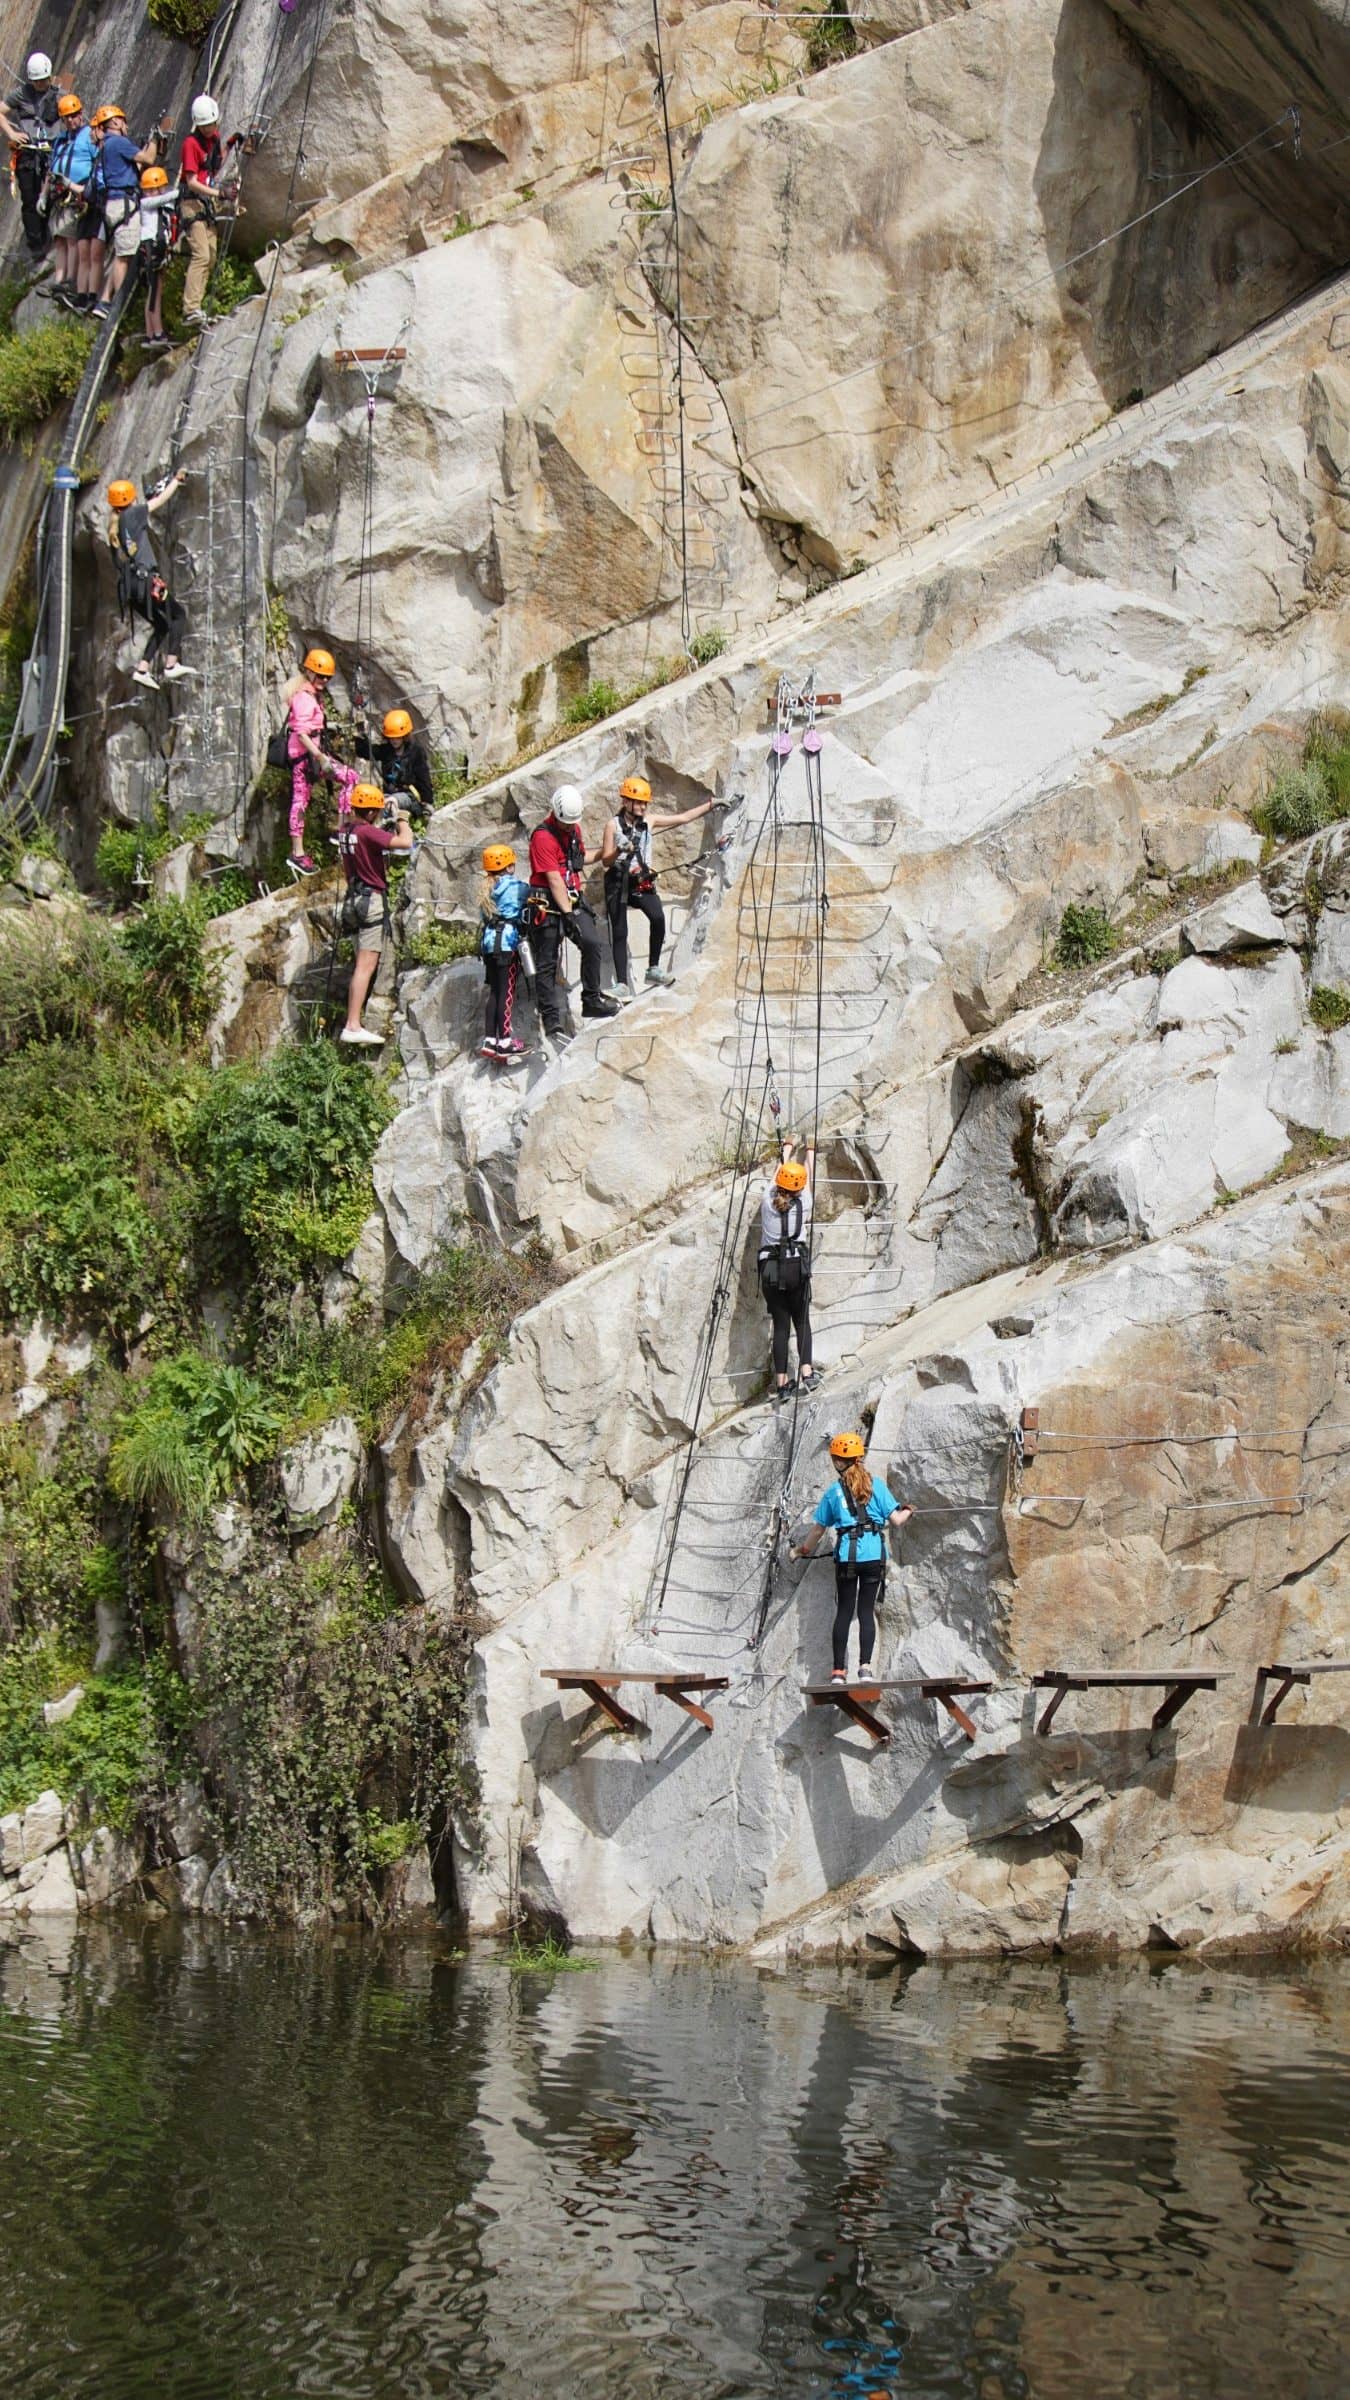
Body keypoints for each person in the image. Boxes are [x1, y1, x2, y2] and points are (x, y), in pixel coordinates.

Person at [791, 1432, 914, 1685]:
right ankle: (865, 1669)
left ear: (838, 1462)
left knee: (844, 1611)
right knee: (866, 1612)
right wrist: (909, 1510)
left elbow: (818, 1531)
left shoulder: (833, 1493)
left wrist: (801, 1550)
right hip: (873, 1556)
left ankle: (838, 1672)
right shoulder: (876, 1485)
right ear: (859, 1457)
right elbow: (897, 1520)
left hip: (847, 1557)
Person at [600, 772, 714, 999]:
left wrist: (711, 805)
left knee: (658, 918)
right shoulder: (612, 826)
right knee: (620, 931)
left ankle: (653, 969)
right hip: (618, 882)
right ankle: (622, 984)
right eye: (638, 803)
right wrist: (620, 849)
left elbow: (683, 818)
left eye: (645, 803)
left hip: (641, 882)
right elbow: (605, 860)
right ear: (626, 801)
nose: (643, 807)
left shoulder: (648, 821)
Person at [526, 784, 619, 1040]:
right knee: (547, 961)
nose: (569, 827)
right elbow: (553, 879)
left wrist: (608, 852)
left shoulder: (573, 830)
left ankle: (591, 998)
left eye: (572, 824)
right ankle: (551, 1020)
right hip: (547, 901)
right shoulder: (542, 837)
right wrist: (567, 915)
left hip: (571, 897)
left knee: (591, 942)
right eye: (566, 824)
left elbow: (578, 859)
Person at [338, 784, 413, 1047]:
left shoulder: (346, 830)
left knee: (360, 964)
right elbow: (405, 842)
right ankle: (353, 1025)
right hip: (371, 901)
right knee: (365, 966)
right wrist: (401, 817)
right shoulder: (368, 832)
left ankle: (353, 1021)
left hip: (352, 899)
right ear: (370, 812)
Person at [106, 474, 195, 690]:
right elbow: (159, 501)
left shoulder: (116, 528)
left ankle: (142, 669)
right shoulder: (133, 514)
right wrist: (176, 481)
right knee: (178, 615)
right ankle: (171, 665)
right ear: (129, 499)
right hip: (146, 582)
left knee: (162, 625)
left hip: (133, 588)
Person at [759, 1139, 816, 1404]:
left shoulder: (767, 1202)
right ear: (799, 1188)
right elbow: (809, 1178)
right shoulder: (805, 1202)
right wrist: (810, 1152)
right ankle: (807, 1372)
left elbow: (776, 1176)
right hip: (796, 1268)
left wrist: (787, 1148)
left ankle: (782, 1384)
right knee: (801, 1321)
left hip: (770, 1269)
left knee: (781, 1326)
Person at [286, 646, 352, 873]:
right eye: (321, 675)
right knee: (300, 801)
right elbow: (301, 732)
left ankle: (339, 831)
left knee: (348, 778)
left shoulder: (312, 695)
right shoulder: (304, 697)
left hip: (310, 755)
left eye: (327, 677)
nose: (324, 680)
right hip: (306, 758)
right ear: (310, 672)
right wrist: (320, 757)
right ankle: (299, 853)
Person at [89, 104, 157, 318]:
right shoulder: (118, 142)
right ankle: (119, 305)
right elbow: (148, 159)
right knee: (124, 257)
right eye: (124, 121)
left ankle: (104, 301)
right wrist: (156, 140)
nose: (126, 126)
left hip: (116, 204)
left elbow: (131, 168)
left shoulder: (107, 146)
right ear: (116, 122)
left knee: (120, 254)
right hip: (124, 205)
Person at [0, 52, 60, 261]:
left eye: (43, 80)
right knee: (29, 198)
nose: (40, 84)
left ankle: (49, 239)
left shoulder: (58, 96)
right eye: (36, 81)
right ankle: (36, 246)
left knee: (50, 197)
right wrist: (12, 134)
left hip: (50, 154)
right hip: (27, 153)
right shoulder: (21, 94)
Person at [478, 843, 531, 1064]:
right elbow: (530, 895)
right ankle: (506, 1041)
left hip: (488, 944)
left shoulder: (486, 888)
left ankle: (490, 1040)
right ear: (509, 866)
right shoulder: (515, 886)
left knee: (495, 992)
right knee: (506, 993)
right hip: (507, 943)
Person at [178, 94, 225, 329]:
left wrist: (231, 144)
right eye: (204, 125)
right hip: (191, 203)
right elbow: (191, 181)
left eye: (211, 124)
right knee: (202, 255)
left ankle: (198, 308)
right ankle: (190, 309)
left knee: (212, 256)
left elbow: (214, 165)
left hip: (206, 203)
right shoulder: (191, 144)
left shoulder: (214, 138)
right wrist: (219, 194)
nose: (208, 129)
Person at [44, 95, 92, 305]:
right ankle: (59, 279)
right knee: (59, 239)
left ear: (81, 114)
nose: (71, 120)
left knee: (72, 240)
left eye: (74, 115)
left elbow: (96, 162)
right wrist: (43, 195)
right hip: (59, 194)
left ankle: (70, 280)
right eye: (67, 117)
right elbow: (51, 168)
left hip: (76, 194)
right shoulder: (62, 139)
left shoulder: (90, 136)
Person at [360, 706, 434, 821]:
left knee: (391, 802)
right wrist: (360, 732)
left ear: (404, 736)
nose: (394, 741)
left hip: (410, 796)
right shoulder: (386, 750)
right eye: (391, 738)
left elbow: (424, 777)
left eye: (398, 737)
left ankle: (395, 826)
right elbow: (364, 751)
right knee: (376, 804)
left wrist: (427, 802)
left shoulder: (416, 752)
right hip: (388, 795)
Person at [136, 165, 173, 348]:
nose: (150, 194)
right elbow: (161, 200)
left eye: (153, 190)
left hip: (158, 250)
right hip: (150, 250)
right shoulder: (146, 204)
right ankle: (157, 333)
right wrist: (179, 192)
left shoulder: (162, 206)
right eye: (148, 190)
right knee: (154, 293)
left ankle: (150, 333)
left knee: (154, 291)